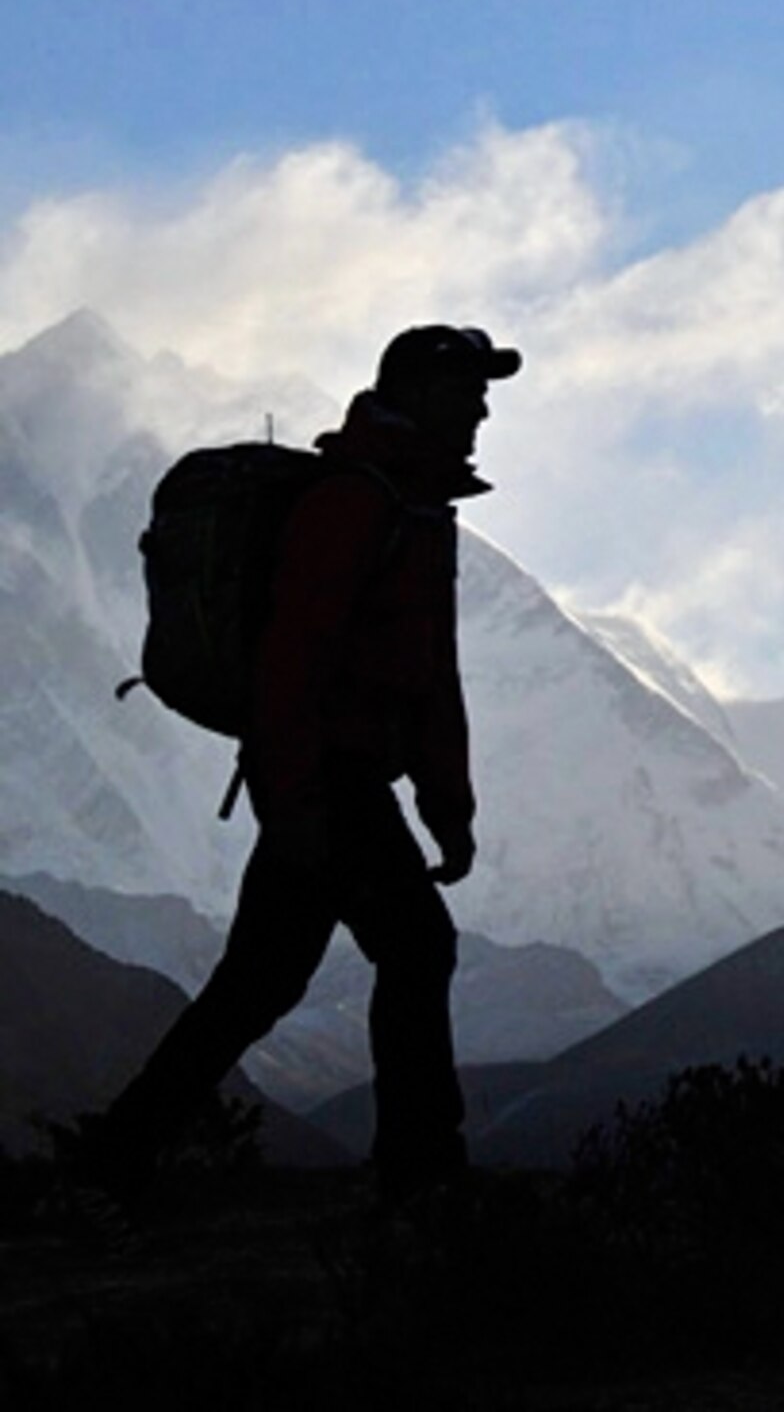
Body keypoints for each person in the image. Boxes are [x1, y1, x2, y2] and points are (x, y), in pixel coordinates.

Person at [94, 324, 520, 1197]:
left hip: (334, 778)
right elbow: (296, 656)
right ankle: (420, 1167)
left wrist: (449, 805)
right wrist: (294, 802)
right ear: (420, 395)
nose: (482, 408)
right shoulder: (357, 504)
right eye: (468, 390)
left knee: (258, 984)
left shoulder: (414, 508)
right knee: (415, 946)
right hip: (327, 776)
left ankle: (113, 1154)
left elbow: (431, 676)